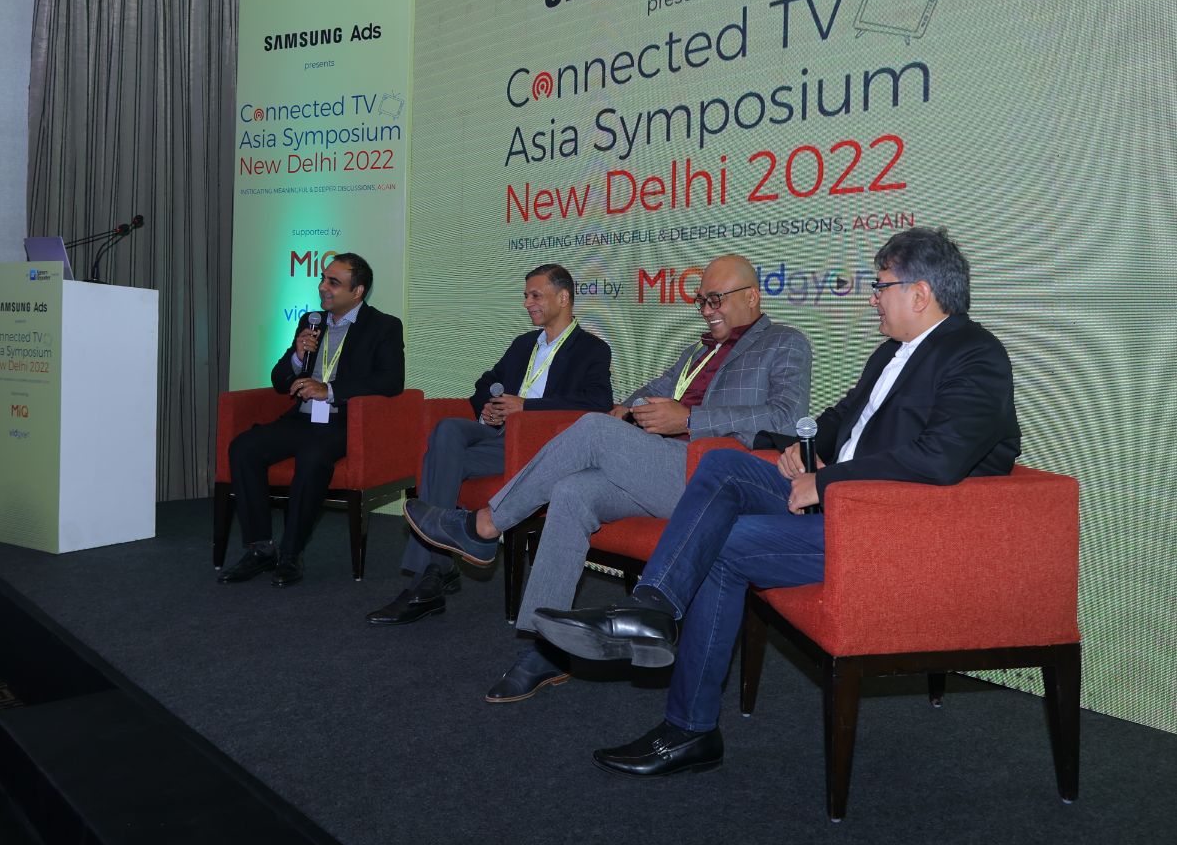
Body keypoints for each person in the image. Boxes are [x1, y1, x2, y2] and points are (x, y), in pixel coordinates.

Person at [534, 227, 1020, 776]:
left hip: (884, 529)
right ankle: (652, 608)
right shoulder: (892, 352)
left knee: (723, 545)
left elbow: (940, 458)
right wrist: (801, 449)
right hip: (844, 503)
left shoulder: (976, 355)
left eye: (881, 286)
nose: (873, 298)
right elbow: (842, 416)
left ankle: (689, 729)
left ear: (920, 293)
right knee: (723, 466)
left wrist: (828, 481)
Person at [401, 254, 812, 704]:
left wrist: (691, 419)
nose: (707, 310)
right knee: (572, 491)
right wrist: (626, 407)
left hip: (713, 476)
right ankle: (546, 649)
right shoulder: (699, 350)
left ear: (751, 296)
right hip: (663, 465)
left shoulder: (784, 342)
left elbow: (785, 417)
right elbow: (656, 388)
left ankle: (484, 525)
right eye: (701, 301)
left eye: (716, 299)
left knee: (593, 430)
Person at [365, 264, 612, 624]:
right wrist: (490, 410)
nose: (527, 303)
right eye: (525, 296)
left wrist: (526, 407)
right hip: (498, 435)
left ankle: (429, 577)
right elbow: (486, 382)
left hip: (538, 444)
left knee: (440, 462)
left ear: (563, 298)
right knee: (447, 430)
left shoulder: (592, 348)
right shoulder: (524, 344)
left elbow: (597, 403)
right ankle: (435, 570)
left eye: (535, 295)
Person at [220, 252, 404, 587]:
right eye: (322, 279)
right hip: (301, 419)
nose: (322, 287)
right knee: (244, 448)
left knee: (313, 455)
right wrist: (297, 355)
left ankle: (291, 553)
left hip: (343, 422)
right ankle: (261, 548)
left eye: (334, 282)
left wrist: (329, 390)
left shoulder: (383, 326)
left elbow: (391, 381)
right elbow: (279, 380)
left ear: (357, 291)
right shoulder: (311, 321)